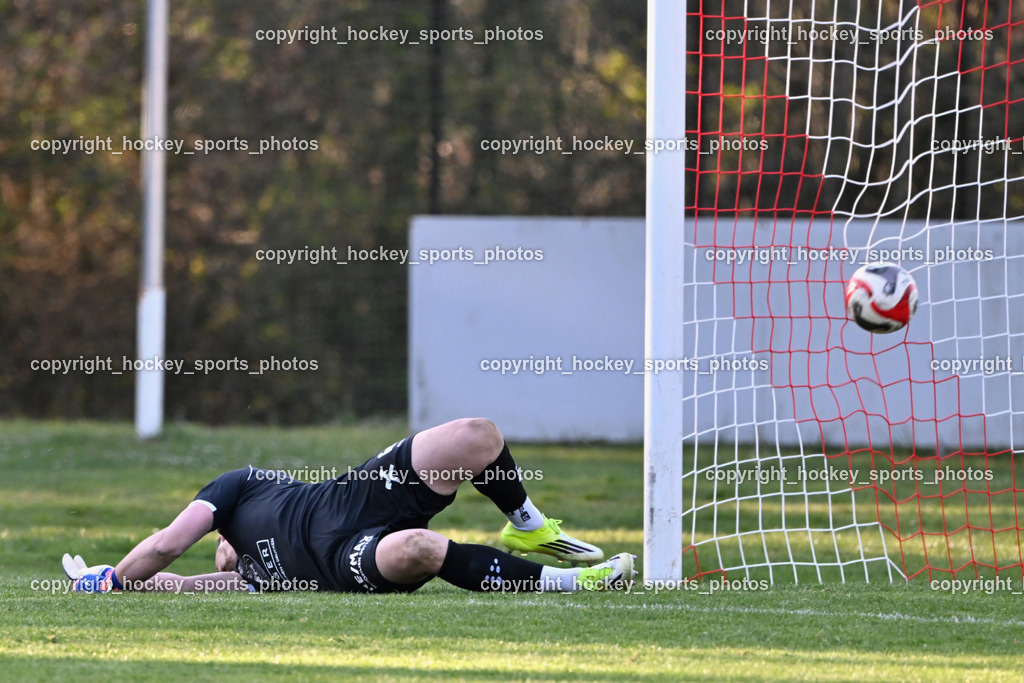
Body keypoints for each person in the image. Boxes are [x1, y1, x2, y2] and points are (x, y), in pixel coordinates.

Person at [63, 418, 635, 594]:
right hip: (348, 555)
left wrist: (115, 573)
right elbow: (174, 582)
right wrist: (110, 582)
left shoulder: (238, 488)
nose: (220, 563)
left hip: (354, 493)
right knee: (420, 548)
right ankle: (574, 584)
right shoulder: (258, 582)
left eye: (218, 552)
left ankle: (528, 526)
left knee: (476, 435)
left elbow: (166, 546)